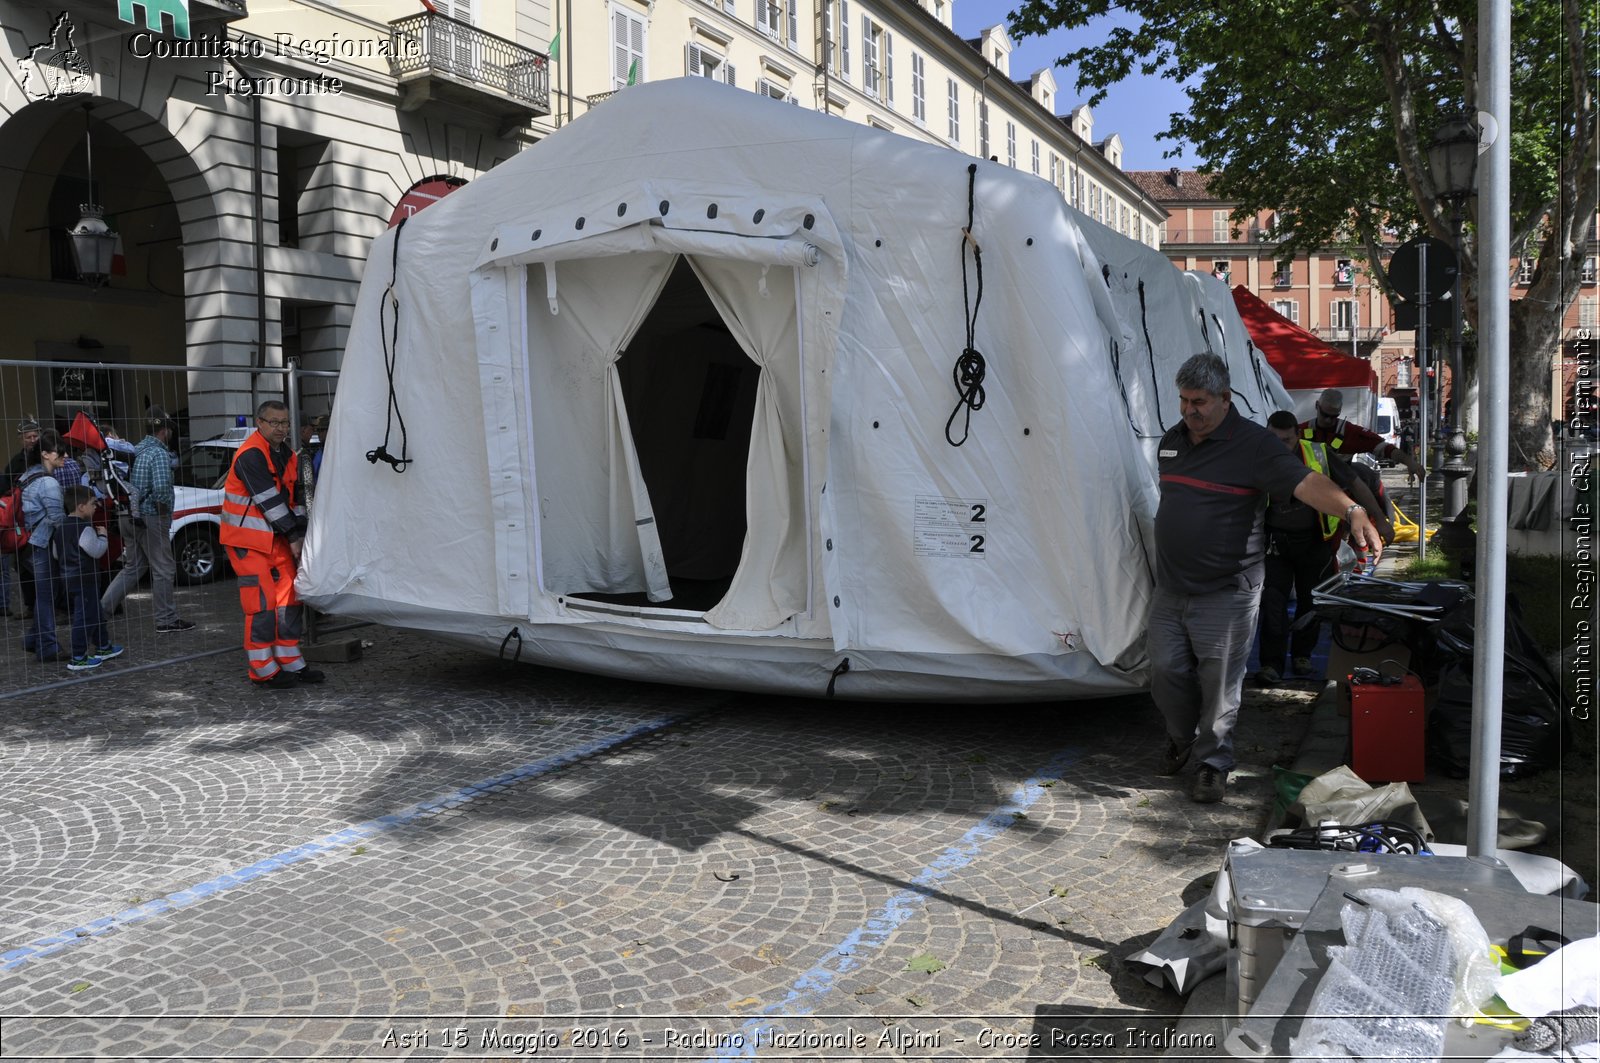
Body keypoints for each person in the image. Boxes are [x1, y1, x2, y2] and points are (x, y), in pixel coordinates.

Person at [1150, 355, 1384, 803]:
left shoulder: (1255, 446)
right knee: (1165, 673)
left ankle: (1212, 763)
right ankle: (1181, 738)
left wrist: (1353, 511)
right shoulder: (1171, 443)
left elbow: (1305, 482)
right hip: (1171, 587)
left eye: (1197, 401)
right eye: (1182, 400)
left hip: (1227, 591)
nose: (1187, 411)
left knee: (1219, 684)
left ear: (1224, 398)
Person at [1257, 411, 1391, 685]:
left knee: (1311, 602)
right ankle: (1271, 664)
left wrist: (1379, 519)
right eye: (1273, 439)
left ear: (1297, 435)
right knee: (1273, 603)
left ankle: (1302, 655)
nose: (1279, 446)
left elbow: (1357, 485)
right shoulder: (1258, 456)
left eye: (1285, 440)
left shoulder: (1318, 453)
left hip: (1314, 542)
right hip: (1275, 544)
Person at [221, 400, 324, 689]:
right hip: (247, 540)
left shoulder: (287, 455)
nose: (281, 428)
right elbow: (270, 501)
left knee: (290, 598)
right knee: (262, 603)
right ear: (260, 423)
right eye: (274, 422)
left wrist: (299, 533)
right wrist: (295, 536)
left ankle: (290, 660)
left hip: (275, 538)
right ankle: (263, 670)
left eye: (284, 423)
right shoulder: (250, 455)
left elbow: (296, 499)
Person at [100, 407, 195, 632]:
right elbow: (161, 487)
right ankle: (166, 619)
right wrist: (162, 514)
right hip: (150, 516)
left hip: (128, 515)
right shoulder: (159, 453)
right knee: (163, 568)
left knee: (133, 567)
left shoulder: (136, 449)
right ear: (165, 431)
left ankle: (101, 610)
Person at [58, 485, 123, 672]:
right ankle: (78, 656)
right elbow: (96, 551)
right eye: (93, 504)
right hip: (85, 578)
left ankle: (103, 646)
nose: (96, 507)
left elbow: (56, 553)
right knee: (84, 617)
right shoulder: (84, 528)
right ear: (81, 507)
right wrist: (102, 537)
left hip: (68, 577)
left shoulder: (61, 528)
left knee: (94, 612)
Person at [1300, 388, 1426, 480]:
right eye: (1325, 415)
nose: (1328, 420)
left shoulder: (1350, 432)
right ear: (1317, 406)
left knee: (1370, 482)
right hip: (1307, 488)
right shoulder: (1300, 431)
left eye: (1333, 416)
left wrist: (1410, 463)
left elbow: (1385, 448)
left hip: (1343, 488)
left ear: (1339, 411)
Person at [19, 430, 67, 662]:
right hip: (41, 545)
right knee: (48, 596)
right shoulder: (48, 482)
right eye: (60, 450)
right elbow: (57, 519)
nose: (65, 455)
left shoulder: (27, 476)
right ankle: (47, 646)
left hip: (24, 546)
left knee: (43, 595)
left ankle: (33, 638)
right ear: (46, 454)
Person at [3, 417, 42, 620]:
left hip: (40, 519)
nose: (33, 440)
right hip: (21, 520)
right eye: (29, 437)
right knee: (22, 565)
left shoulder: (46, 456)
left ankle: (47, 605)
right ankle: (30, 605)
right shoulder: (16, 463)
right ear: (21, 439)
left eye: (36, 435)